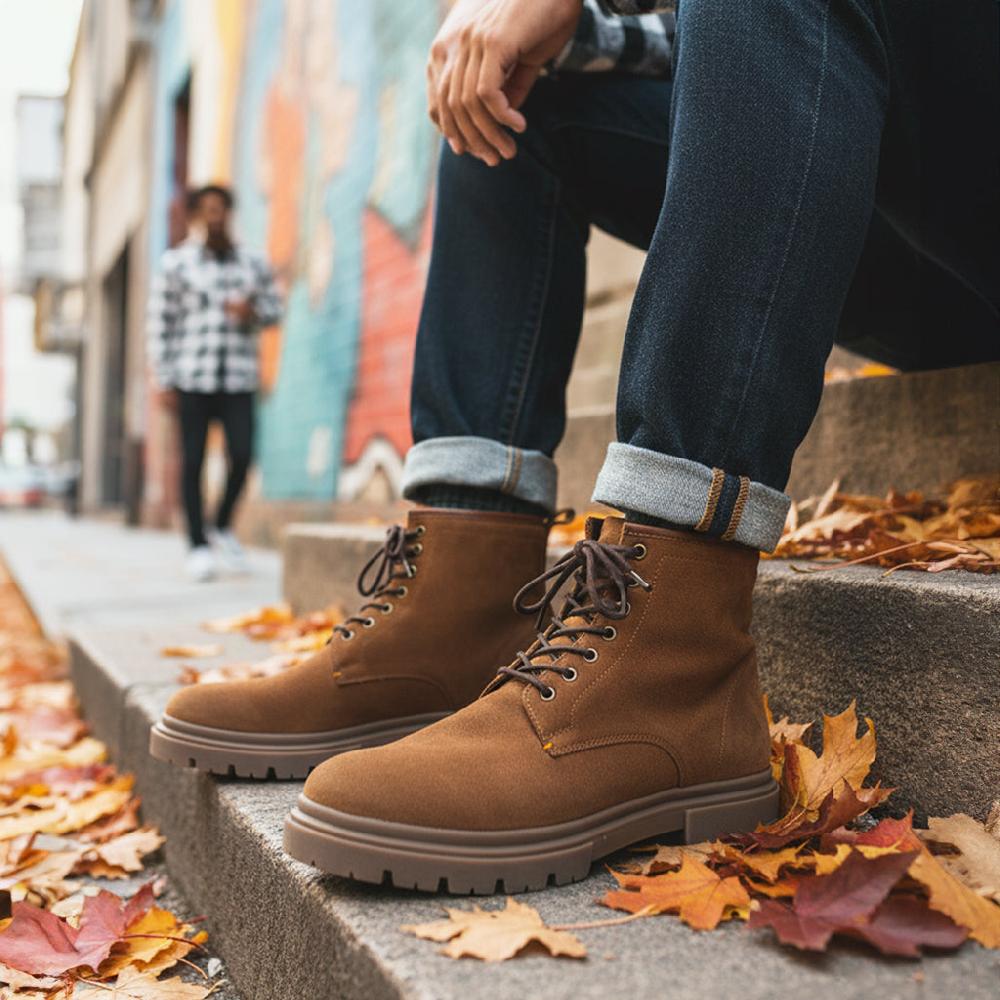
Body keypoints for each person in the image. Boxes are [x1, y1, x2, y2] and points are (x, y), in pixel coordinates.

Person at [151, 0, 999, 892]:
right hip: (896, 207)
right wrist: (566, 31)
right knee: (511, 95)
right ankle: (456, 608)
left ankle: (674, 655)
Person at [147, 184, 282, 582]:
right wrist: (162, 377)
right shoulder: (176, 264)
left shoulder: (252, 263)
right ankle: (197, 546)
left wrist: (252, 310)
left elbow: (275, 311)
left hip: (238, 378)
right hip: (192, 378)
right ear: (195, 216)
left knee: (242, 455)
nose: (215, 215)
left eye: (221, 208)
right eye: (207, 209)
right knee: (192, 461)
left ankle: (221, 525)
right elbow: (160, 323)